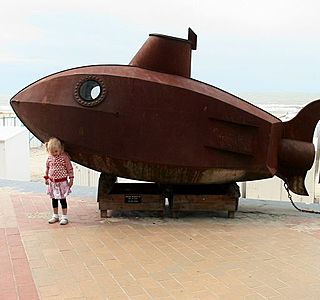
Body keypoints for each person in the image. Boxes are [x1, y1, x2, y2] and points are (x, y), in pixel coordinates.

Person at [44, 137, 74, 225]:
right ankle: (55, 215)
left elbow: (69, 169)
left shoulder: (64, 158)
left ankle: (64, 217)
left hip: (62, 183)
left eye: (56, 151)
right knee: (54, 199)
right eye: (52, 152)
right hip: (52, 183)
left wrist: (71, 179)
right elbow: (47, 168)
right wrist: (46, 178)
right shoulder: (49, 158)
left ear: (60, 149)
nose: (54, 154)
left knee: (62, 199)